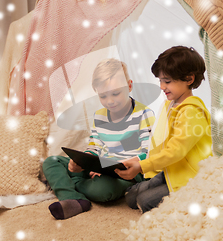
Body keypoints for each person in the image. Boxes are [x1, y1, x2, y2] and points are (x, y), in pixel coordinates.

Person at [43, 58, 155, 219]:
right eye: (103, 96)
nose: (110, 101)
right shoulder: (100, 117)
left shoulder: (145, 114)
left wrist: (110, 168)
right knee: (51, 162)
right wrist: (85, 160)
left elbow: (147, 152)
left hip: (126, 172)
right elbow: (95, 146)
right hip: (99, 167)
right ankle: (74, 197)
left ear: (129, 86)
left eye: (116, 93)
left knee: (104, 191)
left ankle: (67, 189)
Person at [116, 46, 212, 213]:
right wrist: (143, 163)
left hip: (192, 174)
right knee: (130, 198)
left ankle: (193, 199)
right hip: (173, 168)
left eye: (167, 81)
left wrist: (143, 165)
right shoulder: (170, 103)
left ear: (189, 79)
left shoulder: (191, 111)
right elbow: (161, 140)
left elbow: (176, 150)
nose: (161, 86)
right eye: (160, 81)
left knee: (144, 202)